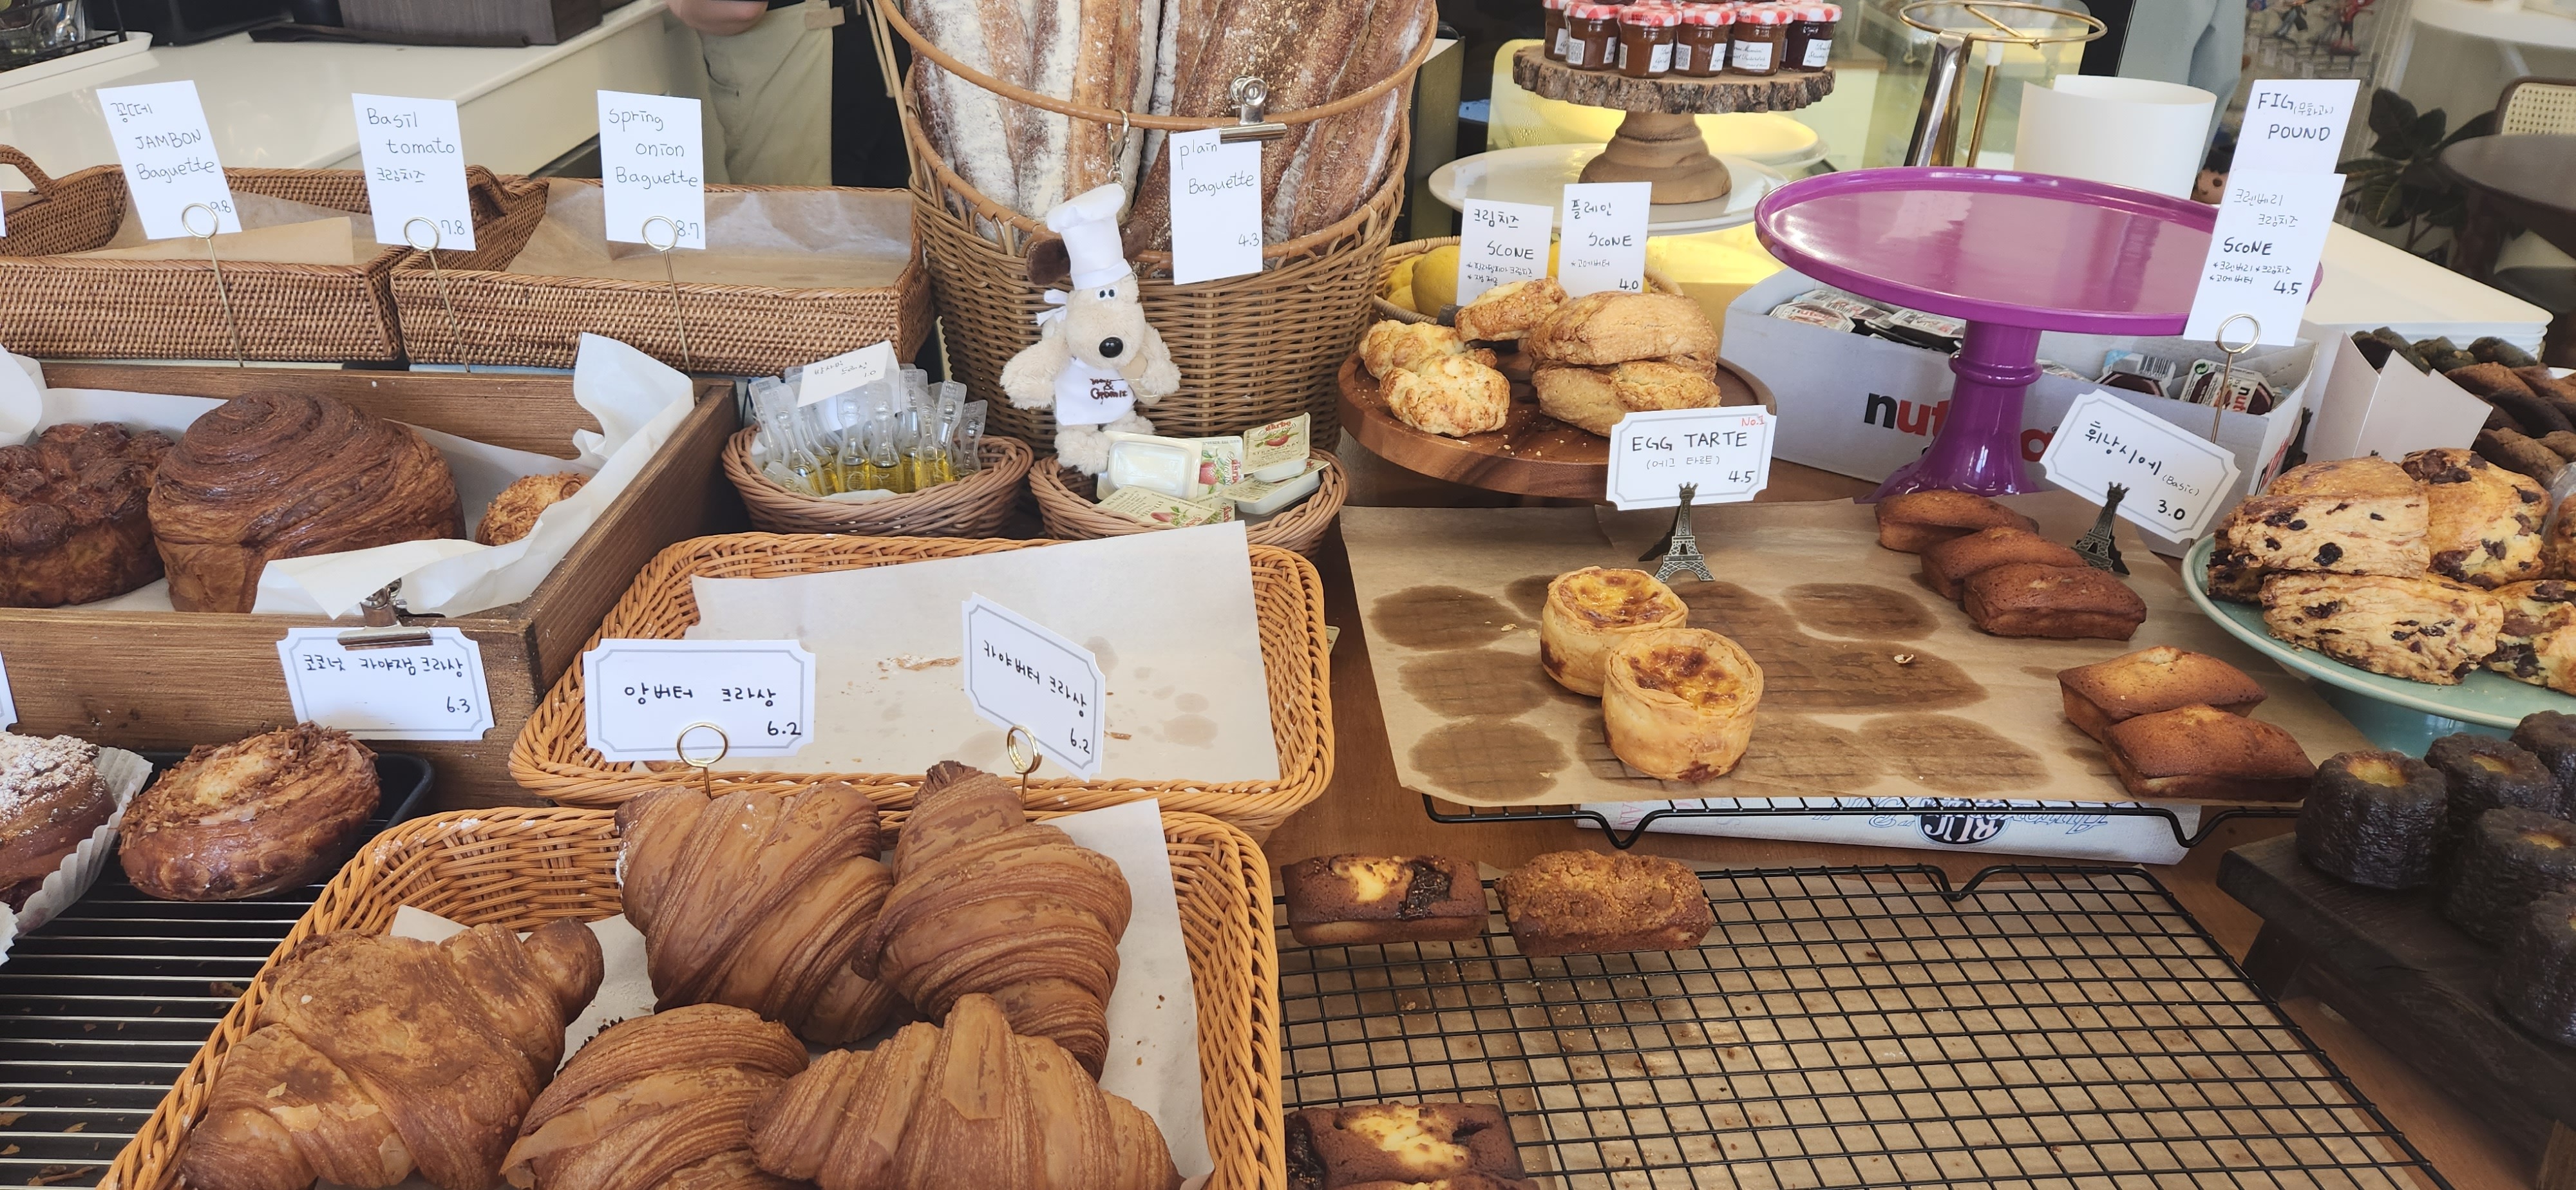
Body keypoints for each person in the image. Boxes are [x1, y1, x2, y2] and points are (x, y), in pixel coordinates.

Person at [664, 0, 911, 189]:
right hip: (883, 48)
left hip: (806, 69)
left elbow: (742, 8)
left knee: (801, 230)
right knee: (893, 230)